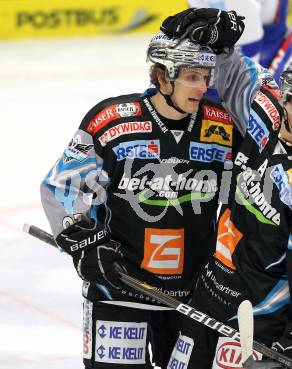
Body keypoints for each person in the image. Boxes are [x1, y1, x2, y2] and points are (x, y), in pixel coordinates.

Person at [40, 19, 244, 369]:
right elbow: (61, 186)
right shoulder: (113, 120)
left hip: (192, 299)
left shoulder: (223, 127)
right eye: (192, 77)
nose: (202, 87)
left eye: (206, 78)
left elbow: (250, 195)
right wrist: (83, 242)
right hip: (118, 291)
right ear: (164, 77)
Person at [161, 8, 292, 369]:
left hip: (260, 319)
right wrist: (216, 39)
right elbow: (232, 68)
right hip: (208, 294)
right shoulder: (263, 108)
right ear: (285, 99)